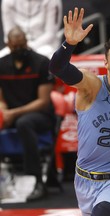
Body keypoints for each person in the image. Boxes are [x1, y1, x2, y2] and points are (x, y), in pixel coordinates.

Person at [49, 8, 110, 216]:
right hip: (84, 179)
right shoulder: (92, 85)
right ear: (105, 63)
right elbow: (57, 68)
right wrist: (69, 45)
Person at [0, 26, 55, 201]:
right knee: (18, 121)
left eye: (21, 46)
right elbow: (1, 99)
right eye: (14, 47)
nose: (18, 50)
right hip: (11, 115)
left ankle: (37, 181)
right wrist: (3, 111)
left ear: (26, 42)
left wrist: (13, 113)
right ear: (7, 44)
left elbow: (43, 101)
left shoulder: (41, 62)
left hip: (40, 115)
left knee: (24, 122)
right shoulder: (2, 65)